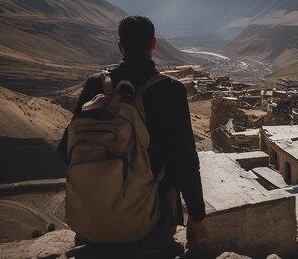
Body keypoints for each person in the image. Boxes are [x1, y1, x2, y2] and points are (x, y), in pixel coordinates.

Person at [58, 15, 208, 255]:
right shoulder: (170, 90)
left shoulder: (95, 85)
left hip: (89, 223)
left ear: (120, 46)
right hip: (149, 223)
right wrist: (197, 216)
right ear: (154, 44)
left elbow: (66, 149)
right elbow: (184, 161)